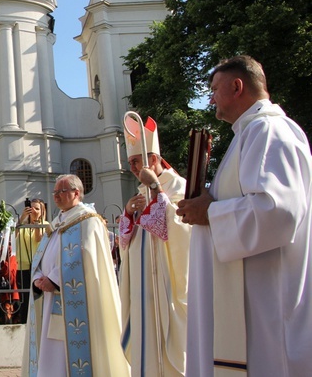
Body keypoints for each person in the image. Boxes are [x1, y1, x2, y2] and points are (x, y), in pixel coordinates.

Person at [176, 55, 312, 376]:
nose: (210, 98)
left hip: (264, 309)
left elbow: (278, 211)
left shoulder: (268, 132)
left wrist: (210, 212)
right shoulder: (248, 135)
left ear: (237, 87)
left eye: (214, 89)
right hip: (247, 303)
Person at [22, 174, 129, 377]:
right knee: (52, 353)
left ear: (76, 193)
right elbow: (41, 254)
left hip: (76, 300)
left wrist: (54, 279)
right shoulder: (58, 222)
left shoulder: (89, 221)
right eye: (54, 192)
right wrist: (37, 277)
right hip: (49, 297)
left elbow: (86, 257)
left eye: (61, 192)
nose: (56, 197)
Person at [119, 114, 190, 376]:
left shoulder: (178, 185)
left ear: (153, 159)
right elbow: (128, 240)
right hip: (142, 285)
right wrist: (128, 213)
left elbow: (183, 227)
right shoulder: (139, 193)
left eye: (136, 161)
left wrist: (158, 189)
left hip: (167, 284)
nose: (133, 168)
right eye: (130, 163)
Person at [15, 199, 48, 323]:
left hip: (40, 267)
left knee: (40, 298)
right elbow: (15, 234)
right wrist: (23, 218)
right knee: (25, 299)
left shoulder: (45, 224)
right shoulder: (22, 225)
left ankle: (41, 322)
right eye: (32, 208)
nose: (33, 210)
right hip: (23, 267)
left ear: (42, 211)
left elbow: (38, 238)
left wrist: (37, 224)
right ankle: (26, 323)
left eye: (37, 208)